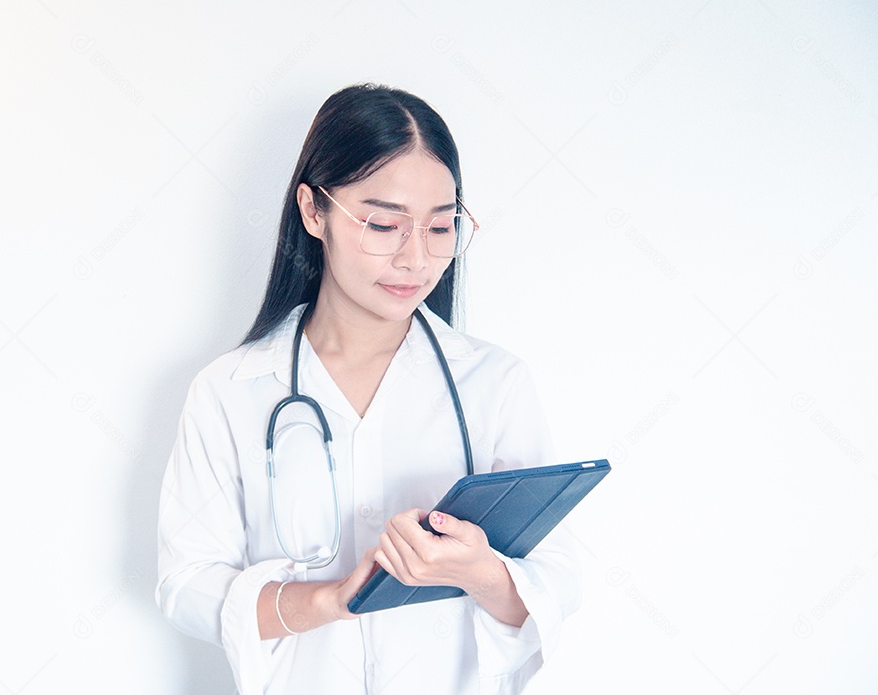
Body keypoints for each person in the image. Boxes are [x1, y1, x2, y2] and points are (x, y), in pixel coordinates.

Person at [155, 83, 581, 695]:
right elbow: (186, 585)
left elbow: (558, 579)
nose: (417, 260)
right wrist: (328, 600)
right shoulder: (230, 391)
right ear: (313, 211)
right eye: (384, 224)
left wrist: (482, 573)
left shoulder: (494, 383)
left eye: (440, 227)